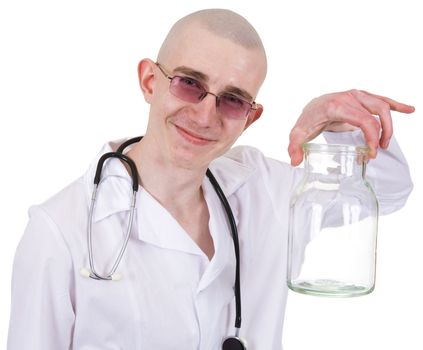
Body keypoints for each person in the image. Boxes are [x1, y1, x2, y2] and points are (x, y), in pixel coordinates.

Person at [7, 8, 414, 350]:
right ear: (150, 81)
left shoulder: (264, 190)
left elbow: (390, 189)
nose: (205, 116)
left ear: (251, 117)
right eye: (190, 84)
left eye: (233, 100)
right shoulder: (59, 231)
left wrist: (337, 123)